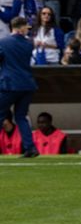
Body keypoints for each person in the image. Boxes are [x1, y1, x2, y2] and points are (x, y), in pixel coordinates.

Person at [0, 15, 38, 157]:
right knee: (21, 116)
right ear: (21, 28)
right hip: (27, 84)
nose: (27, 30)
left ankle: (30, 148)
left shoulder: (3, 42)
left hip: (9, 84)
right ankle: (30, 148)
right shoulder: (29, 44)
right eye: (26, 28)